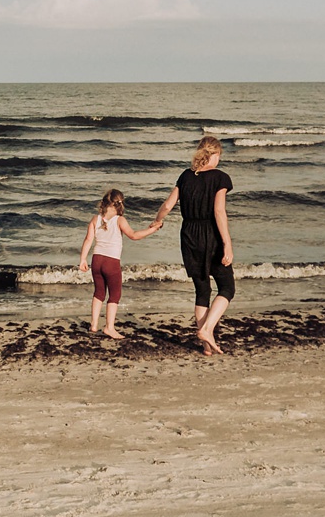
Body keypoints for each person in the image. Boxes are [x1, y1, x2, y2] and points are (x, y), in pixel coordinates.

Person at [152, 135, 234, 355]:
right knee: (227, 287)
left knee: (202, 290)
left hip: (189, 235)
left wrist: (157, 221)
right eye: (219, 155)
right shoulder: (220, 177)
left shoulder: (185, 176)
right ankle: (207, 329)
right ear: (214, 154)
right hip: (211, 235)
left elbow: (168, 204)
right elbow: (218, 211)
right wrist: (227, 243)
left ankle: (206, 345)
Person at [77, 188, 162, 339]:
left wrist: (83, 259)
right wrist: (153, 229)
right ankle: (109, 327)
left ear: (104, 202)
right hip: (111, 261)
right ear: (120, 204)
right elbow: (134, 236)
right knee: (114, 295)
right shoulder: (119, 220)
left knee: (99, 293)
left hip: (97, 260)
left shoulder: (95, 219)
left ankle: (94, 325)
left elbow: (88, 240)